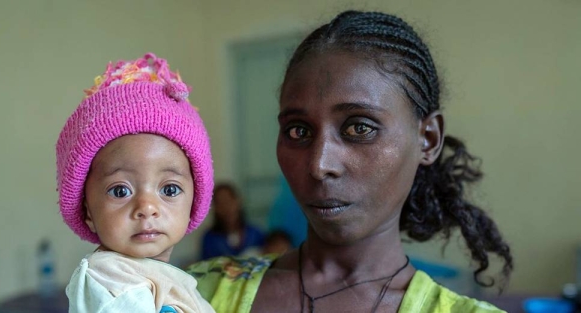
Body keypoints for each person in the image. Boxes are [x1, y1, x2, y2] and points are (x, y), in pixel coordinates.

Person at [187, 10, 513, 313]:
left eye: (359, 128)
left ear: (427, 139)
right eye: (298, 131)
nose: (319, 165)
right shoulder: (188, 294)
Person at [56, 53, 215, 313]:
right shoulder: (110, 281)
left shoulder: (161, 277)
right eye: (120, 190)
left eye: (169, 189)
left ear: (195, 199)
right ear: (87, 210)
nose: (147, 207)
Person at [200, 183, 265, 260]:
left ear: (238, 201)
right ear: (215, 208)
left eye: (228, 200)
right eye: (220, 203)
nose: (226, 207)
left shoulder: (256, 234)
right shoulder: (210, 239)